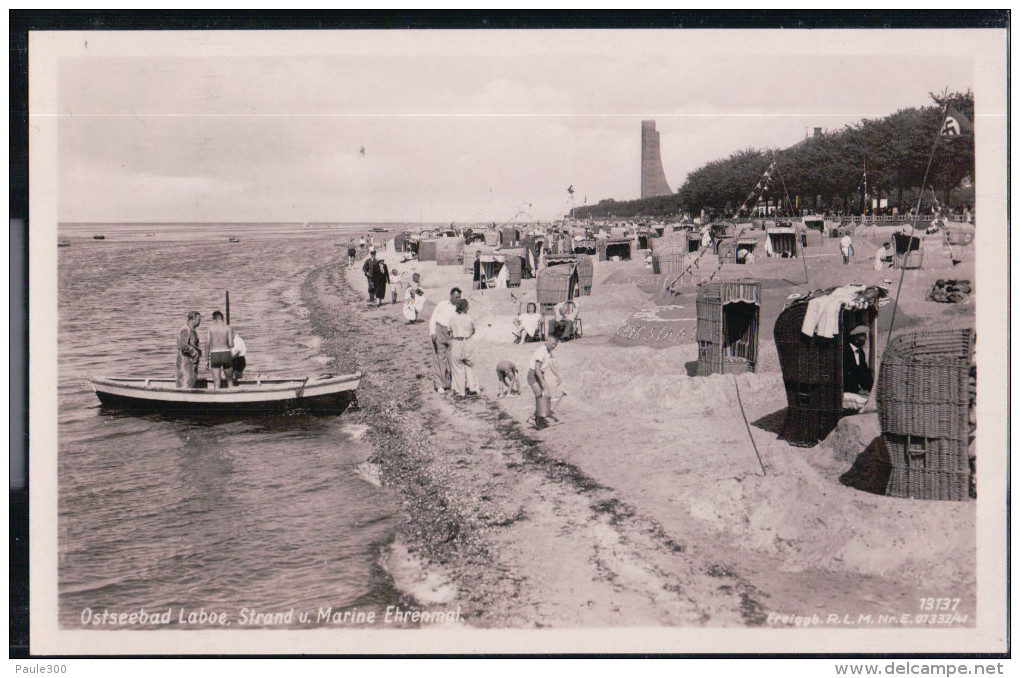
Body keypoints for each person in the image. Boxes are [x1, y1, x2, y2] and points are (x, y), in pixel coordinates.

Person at [429, 287, 461, 393]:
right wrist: (432, 332)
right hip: (440, 331)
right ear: (451, 295)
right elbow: (433, 319)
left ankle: (451, 383)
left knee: (452, 359)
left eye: (459, 297)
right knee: (439, 359)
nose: (458, 299)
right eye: (456, 297)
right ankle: (439, 385)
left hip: (452, 334)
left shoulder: (459, 308)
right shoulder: (442, 304)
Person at [528, 336, 562, 430]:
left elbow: (551, 364)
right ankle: (538, 421)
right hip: (533, 375)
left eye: (556, 344)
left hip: (540, 375)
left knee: (547, 395)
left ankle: (537, 416)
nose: (554, 346)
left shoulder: (548, 351)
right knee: (540, 396)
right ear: (547, 342)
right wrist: (542, 382)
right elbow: (537, 368)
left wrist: (557, 375)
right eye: (553, 344)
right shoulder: (540, 351)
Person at [448, 299, 480, 399]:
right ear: (466, 307)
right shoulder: (470, 318)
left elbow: (449, 331)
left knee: (458, 367)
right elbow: (473, 330)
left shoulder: (453, 318)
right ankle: (473, 388)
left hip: (457, 341)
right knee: (470, 365)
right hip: (468, 341)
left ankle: (460, 391)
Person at [842, 325, 873, 408]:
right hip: (847, 390)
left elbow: (864, 372)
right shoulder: (845, 351)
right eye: (863, 336)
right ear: (856, 338)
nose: (865, 339)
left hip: (856, 390)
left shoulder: (861, 353)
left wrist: (870, 389)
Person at [205, 310, 235, 390]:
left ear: (214, 319)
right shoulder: (228, 327)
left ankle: (216, 400)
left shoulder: (210, 328)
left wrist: (206, 360)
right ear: (222, 318)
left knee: (216, 382)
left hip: (215, 354)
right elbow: (231, 344)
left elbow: (207, 345)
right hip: (226, 353)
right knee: (230, 381)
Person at [175, 311, 202, 388]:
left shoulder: (192, 330)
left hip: (191, 362)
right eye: (198, 320)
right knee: (185, 382)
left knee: (191, 381)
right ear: (193, 319)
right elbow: (183, 345)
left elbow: (192, 344)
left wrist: (198, 351)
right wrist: (195, 353)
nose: (199, 322)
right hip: (185, 362)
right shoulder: (185, 329)